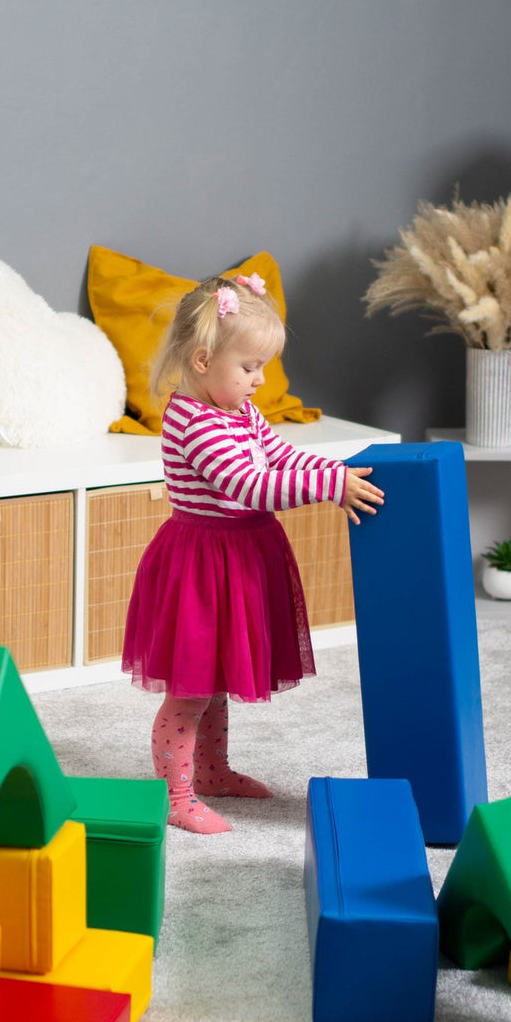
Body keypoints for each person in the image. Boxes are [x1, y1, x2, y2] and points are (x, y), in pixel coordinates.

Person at [122, 272, 384, 833]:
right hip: (203, 567)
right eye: (249, 368)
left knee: (215, 679)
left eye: (262, 367)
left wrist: (336, 470)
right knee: (191, 689)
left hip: (240, 559)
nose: (260, 381)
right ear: (201, 361)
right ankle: (176, 796)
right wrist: (329, 486)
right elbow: (250, 484)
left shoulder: (240, 411)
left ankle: (212, 771)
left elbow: (281, 456)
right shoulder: (192, 420)